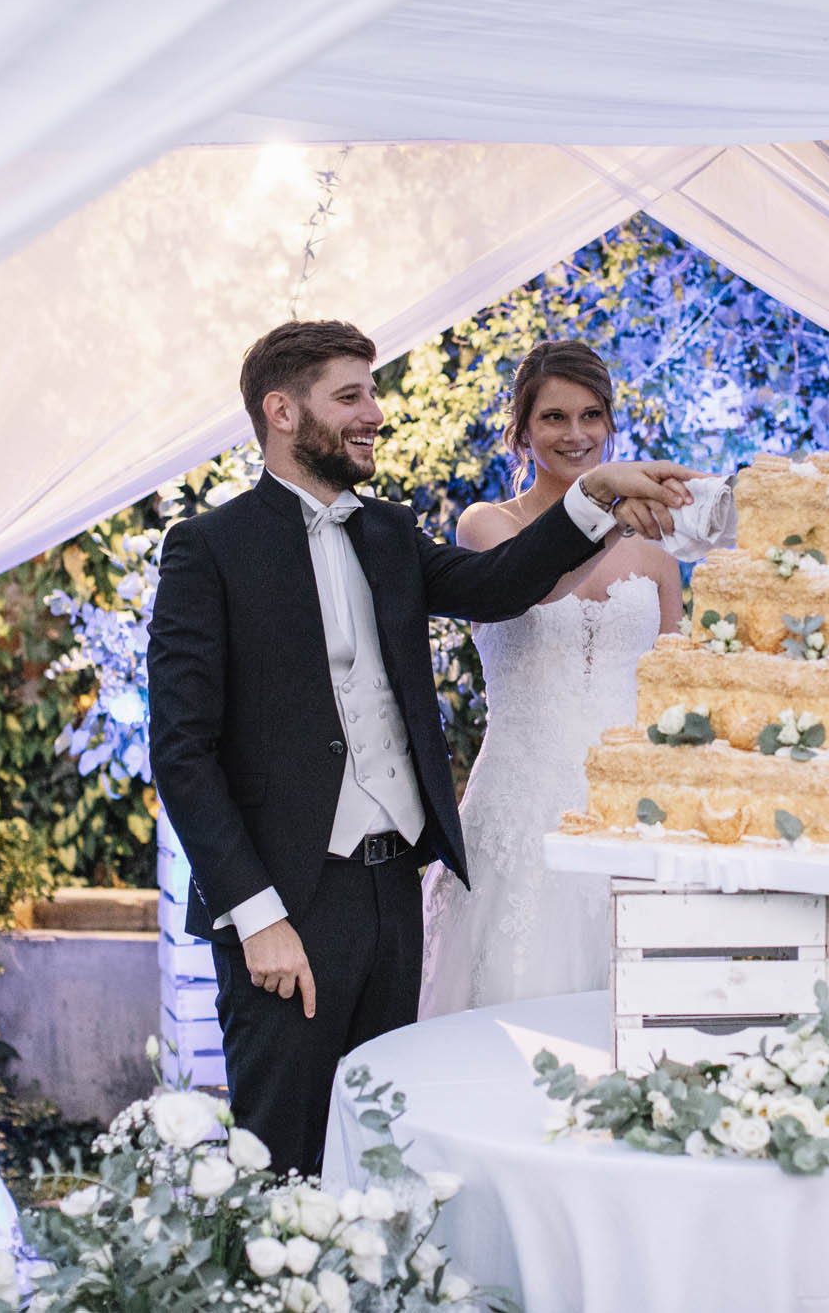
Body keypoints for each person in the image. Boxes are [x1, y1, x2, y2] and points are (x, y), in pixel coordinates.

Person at [147, 320, 701, 1176]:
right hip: (289, 905)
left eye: (373, 392)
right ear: (283, 411)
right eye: (351, 395)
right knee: (283, 1156)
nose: (375, 412)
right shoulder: (208, 549)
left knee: (383, 1144)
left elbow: (500, 584)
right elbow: (182, 753)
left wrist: (592, 497)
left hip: (394, 890)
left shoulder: (388, 533)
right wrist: (257, 917)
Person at [419, 341, 683, 1017]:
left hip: (630, 806)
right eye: (554, 417)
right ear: (521, 431)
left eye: (591, 415)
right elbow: (531, 587)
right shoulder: (488, 526)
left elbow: (672, 689)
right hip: (521, 800)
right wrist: (604, 511)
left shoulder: (657, 553)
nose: (576, 434)